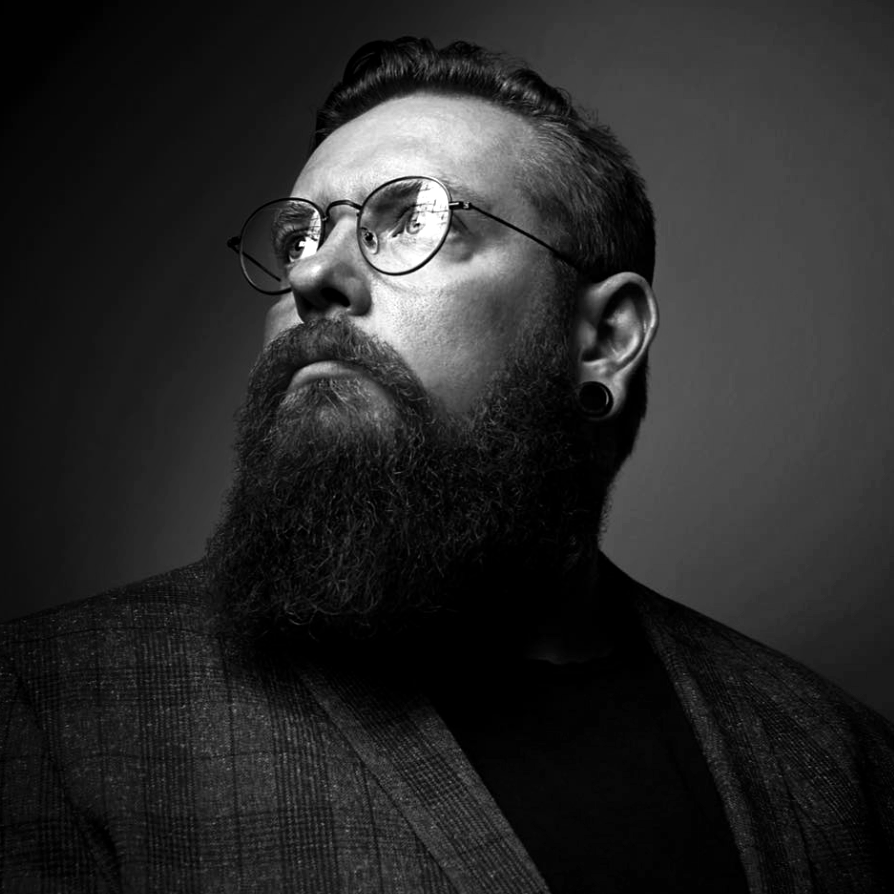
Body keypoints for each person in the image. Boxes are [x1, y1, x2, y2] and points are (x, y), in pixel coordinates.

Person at [1, 36, 892, 893]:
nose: (312, 277)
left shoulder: (836, 762)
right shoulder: (58, 709)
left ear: (604, 336)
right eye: (300, 238)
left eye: (412, 218)